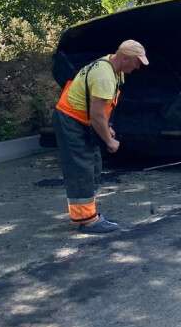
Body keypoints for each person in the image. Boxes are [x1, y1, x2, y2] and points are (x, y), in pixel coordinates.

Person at [53, 40, 148, 234]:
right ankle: (87, 220)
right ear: (124, 58)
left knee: (94, 164)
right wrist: (109, 140)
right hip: (71, 120)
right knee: (82, 167)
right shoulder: (104, 76)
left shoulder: (114, 68)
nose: (138, 67)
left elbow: (103, 109)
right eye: (136, 62)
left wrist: (107, 126)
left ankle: (90, 213)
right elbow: (96, 115)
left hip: (82, 118)